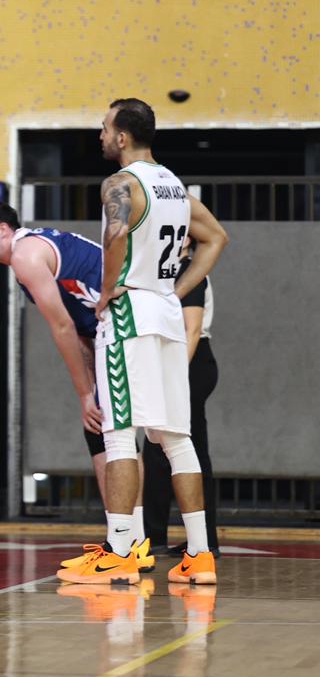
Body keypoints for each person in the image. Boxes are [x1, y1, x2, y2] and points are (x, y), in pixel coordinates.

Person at [57, 98, 229, 586]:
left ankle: (121, 550)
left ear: (123, 136)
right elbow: (217, 238)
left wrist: (108, 290)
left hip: (131, 311)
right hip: (167, 313)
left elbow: (114, 240)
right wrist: (177, 289)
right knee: (176, 437)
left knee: (119, 433)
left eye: (104, 128)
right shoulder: (173, 184)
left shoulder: (120, 184)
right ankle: (199, 555)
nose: (100, 136)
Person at [0, 199, 154, 570]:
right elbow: (80, 329)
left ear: (4, 230)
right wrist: (91, 386)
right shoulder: (33, 253)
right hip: (114, 331)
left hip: (130, 326)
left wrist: (84, 394)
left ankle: (128, 547)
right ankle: (129, 541)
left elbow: (63, 327)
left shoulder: (26, 256)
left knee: (116, 434)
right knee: (106, 433)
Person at [143, 245, 220, 555]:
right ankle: (186, 539)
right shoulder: (165, 269)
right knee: (167, 451)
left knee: (171, 450)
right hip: (180, 362)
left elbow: (192, 330)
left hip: (190, 362)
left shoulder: (190, 270)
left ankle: (179, 540)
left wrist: (172, 377)